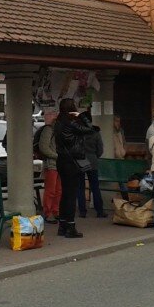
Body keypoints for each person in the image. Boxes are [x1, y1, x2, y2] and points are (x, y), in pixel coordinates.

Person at [54, 98, 92, 238]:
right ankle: (70, 227)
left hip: (62, 160)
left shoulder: (58, 123)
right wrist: (81, 115)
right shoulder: (71, 123)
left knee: (65, 193)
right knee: (71, 194)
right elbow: (89, 129)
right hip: (72, 161)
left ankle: (62, 226)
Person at [77, 112, 106, 218]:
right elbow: (100, 149)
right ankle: (100, 211)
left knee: (80, 186)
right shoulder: (95, 132)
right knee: (95, 186)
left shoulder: (78, 133)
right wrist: (94, 156)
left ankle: (82, 211)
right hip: (92, 160)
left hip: (80, 160)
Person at [35, 109, 60, 223]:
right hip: (51, 164)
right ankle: (48, 212)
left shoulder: (58, 130)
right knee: (51, 190)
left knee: (58, 190)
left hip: (59, 164)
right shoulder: (49, 130)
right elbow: (44, 147)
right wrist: (56, 156)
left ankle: (55, 211)